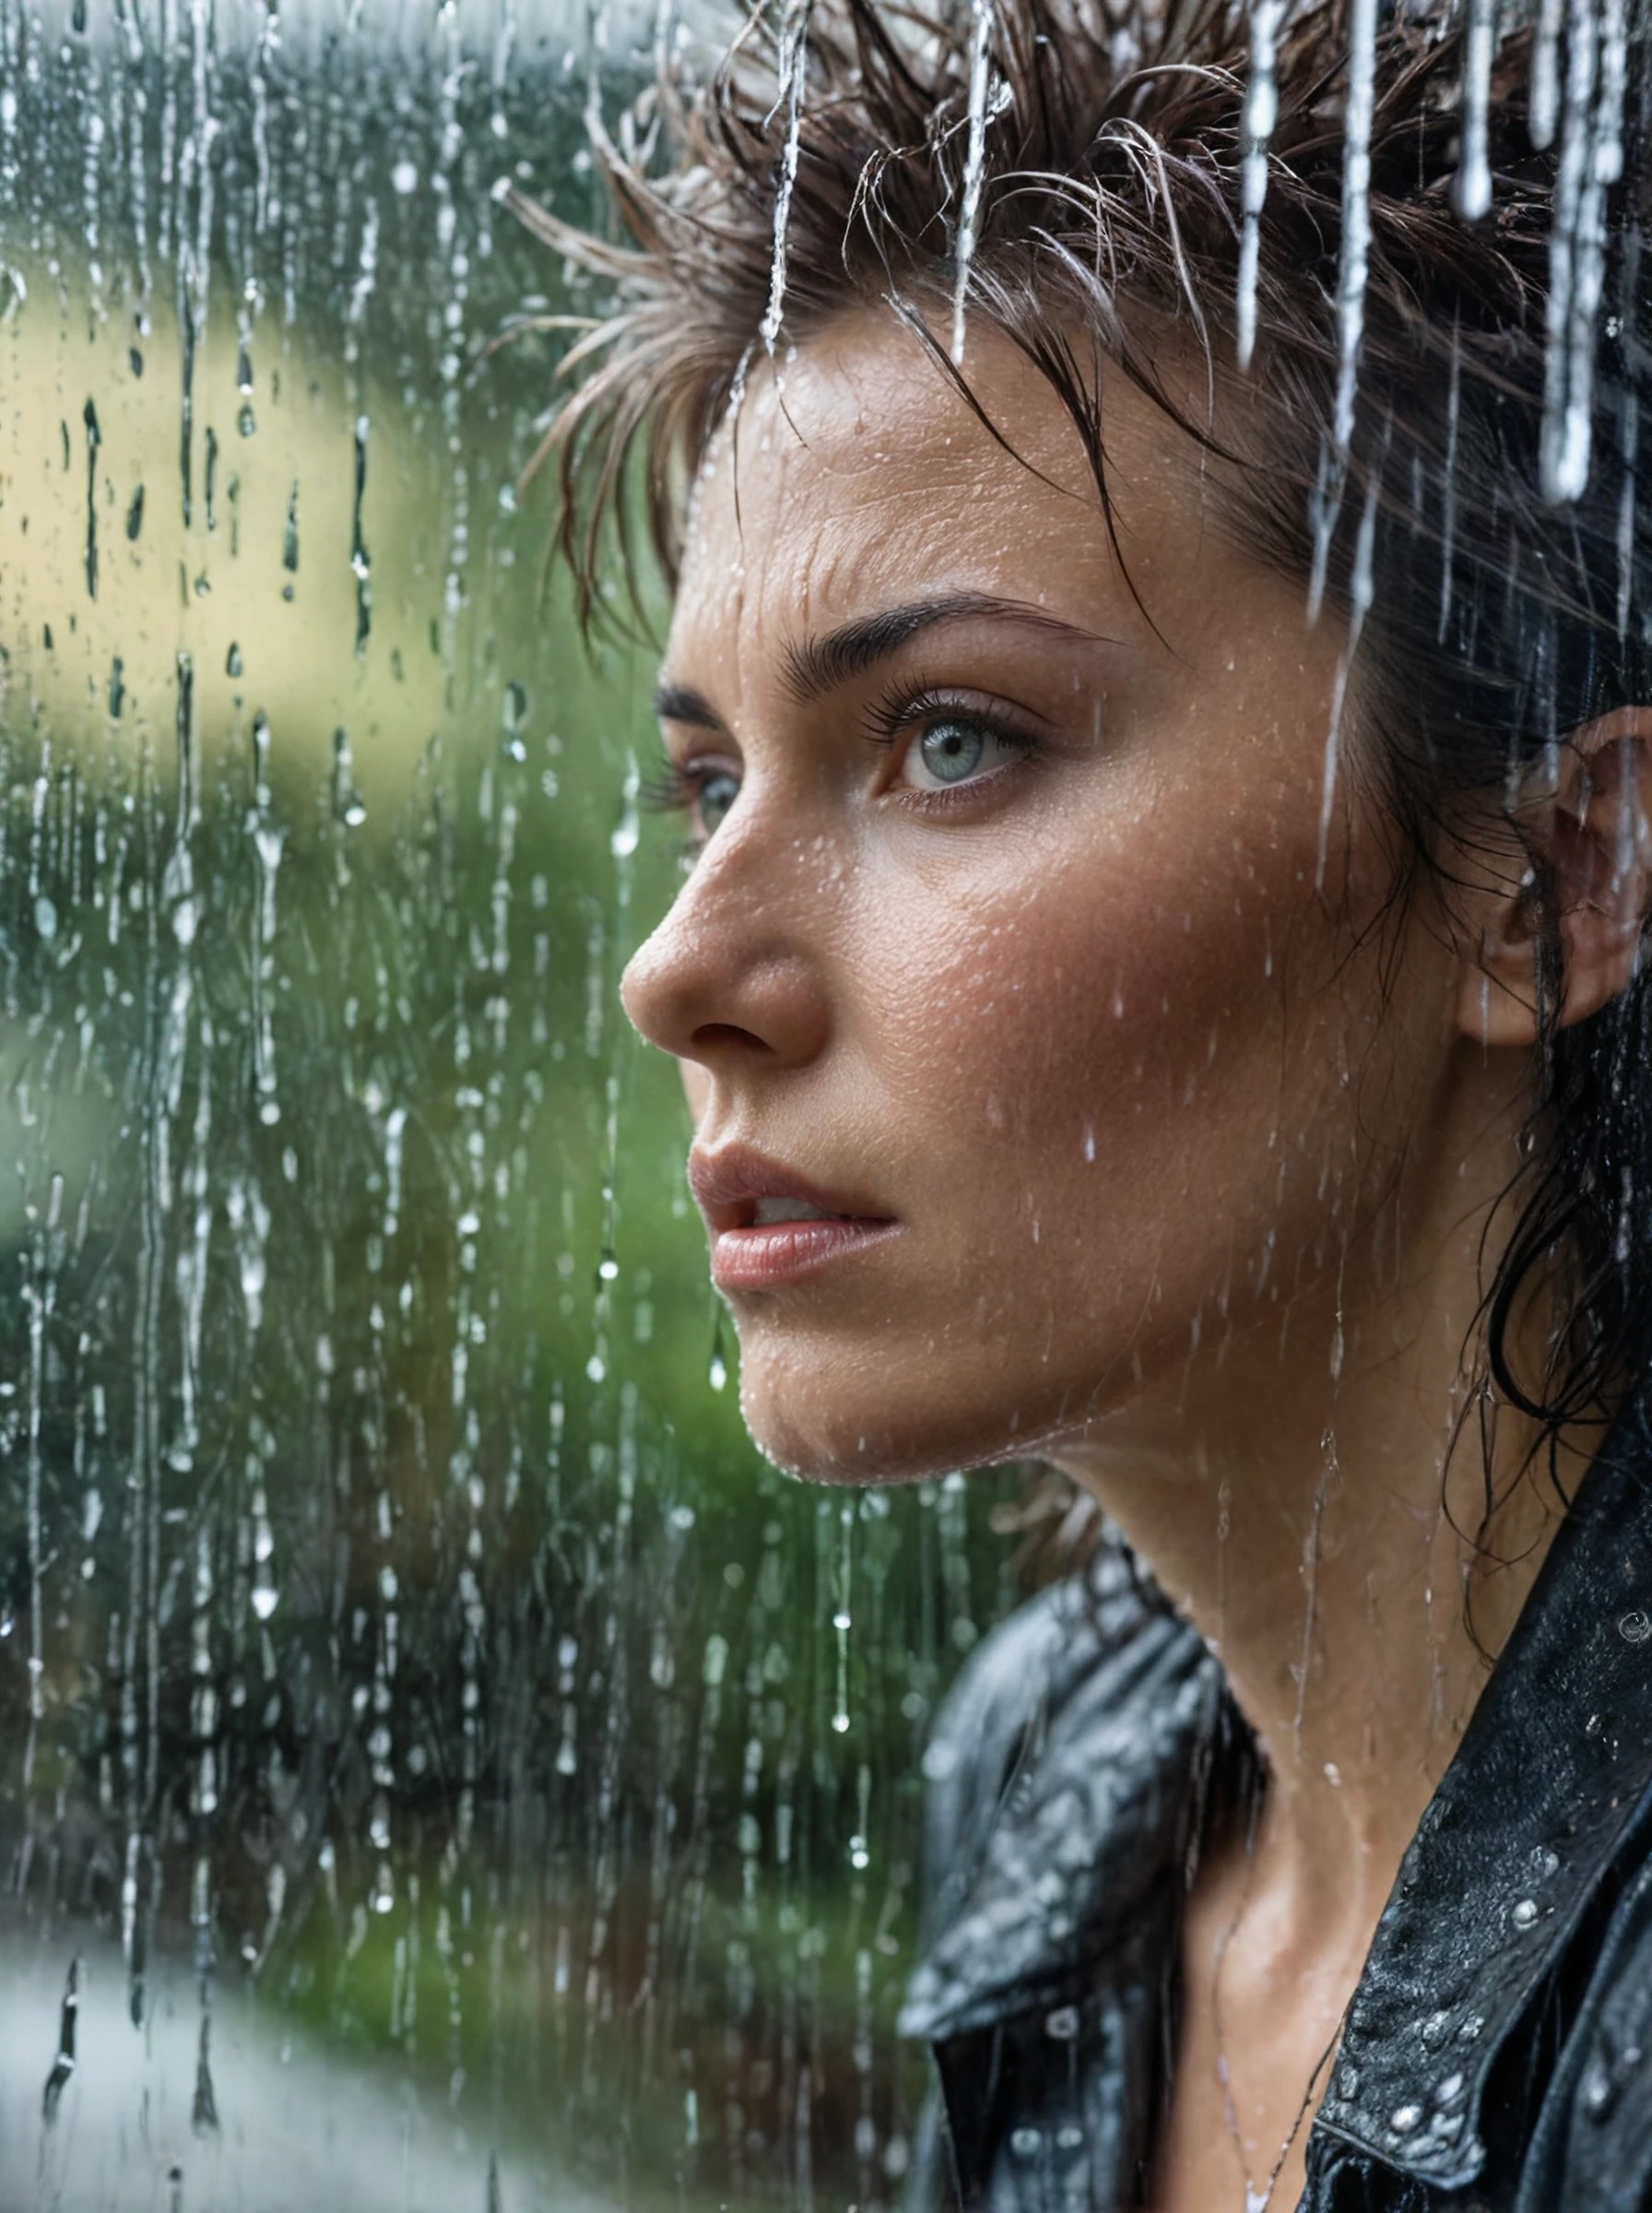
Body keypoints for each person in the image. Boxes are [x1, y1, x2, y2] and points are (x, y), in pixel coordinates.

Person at [516, 0, 1652, 2203]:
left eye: (950, 739)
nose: (678, 972)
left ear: (1554, 874)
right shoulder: (1057, 1776)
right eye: (701, 783)